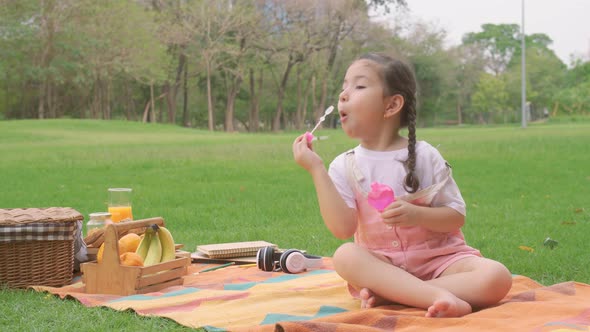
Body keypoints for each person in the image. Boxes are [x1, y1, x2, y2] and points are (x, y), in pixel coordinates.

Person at [292, 53, 512, 318]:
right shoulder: (343, 165)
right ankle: (436, 296)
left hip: (442, 262)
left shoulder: (425, 156)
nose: (343, 95)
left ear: (392, 105)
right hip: (383, 266)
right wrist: (316, 168)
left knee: (497, 276)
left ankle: (397, 295)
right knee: (345, 256)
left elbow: (455, 218)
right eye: (344, 87)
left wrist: (417, 214)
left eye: (359, 86)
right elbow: (342, 229)